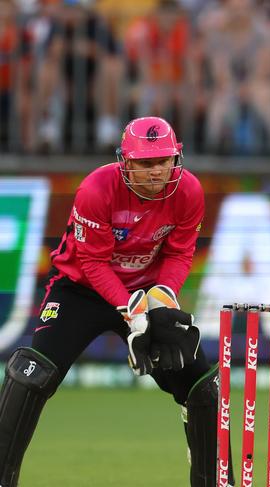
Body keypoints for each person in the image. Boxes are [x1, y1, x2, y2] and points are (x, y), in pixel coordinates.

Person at [0, 116, 233, 487]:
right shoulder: (96, 189)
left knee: (200, 384)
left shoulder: (189, 192)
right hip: (80, 289)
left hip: (147, 291)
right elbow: (92, 262)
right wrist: (130, 309)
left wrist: (162, 298)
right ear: (125, 162)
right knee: (32, 374)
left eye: (164, 161)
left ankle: (214, 482)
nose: (156, 172)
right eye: (145, 163)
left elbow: (179, 254)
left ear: (177, 158)